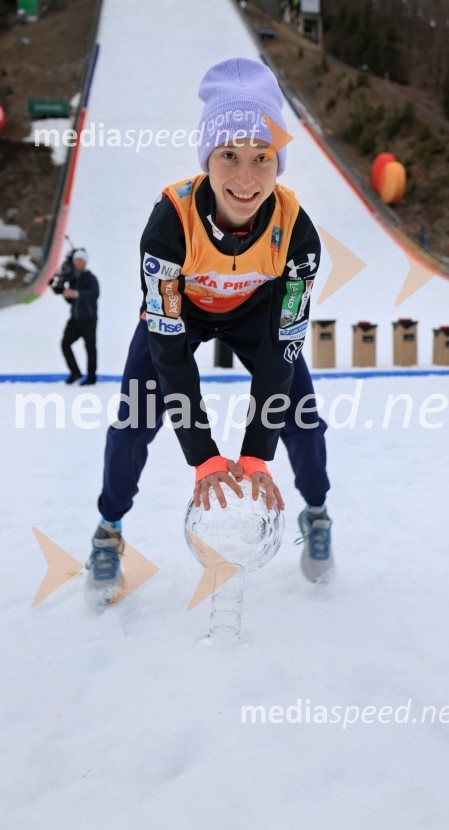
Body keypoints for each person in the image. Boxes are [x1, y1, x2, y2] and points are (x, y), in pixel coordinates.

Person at [86, 57, 334, 591]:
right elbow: (168, 351)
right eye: (229, 156)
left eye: (262, 157)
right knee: (133, 420)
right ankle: (108, 530)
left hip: (256, 313)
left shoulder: (298, 234)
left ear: (278, 162)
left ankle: (316, 512)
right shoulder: (170, 223)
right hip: (184, 314)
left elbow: (282, 349)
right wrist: (203, 455)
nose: (245, 179)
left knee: (304, 418)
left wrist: (254, 453)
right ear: (207, 157)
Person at [58, 248, 99, 385]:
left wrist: (76, 294)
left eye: (81, 260)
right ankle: (75, 372)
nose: (78, 263)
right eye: (76, 260)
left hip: (89, 320)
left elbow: (94, 294)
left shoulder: (91, 278)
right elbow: (72, 301)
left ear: (85, 262)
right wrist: (66, 294)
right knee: (65, 344)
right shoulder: (73, 279)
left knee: (90, 348)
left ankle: (91, 377)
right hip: (75, 320)